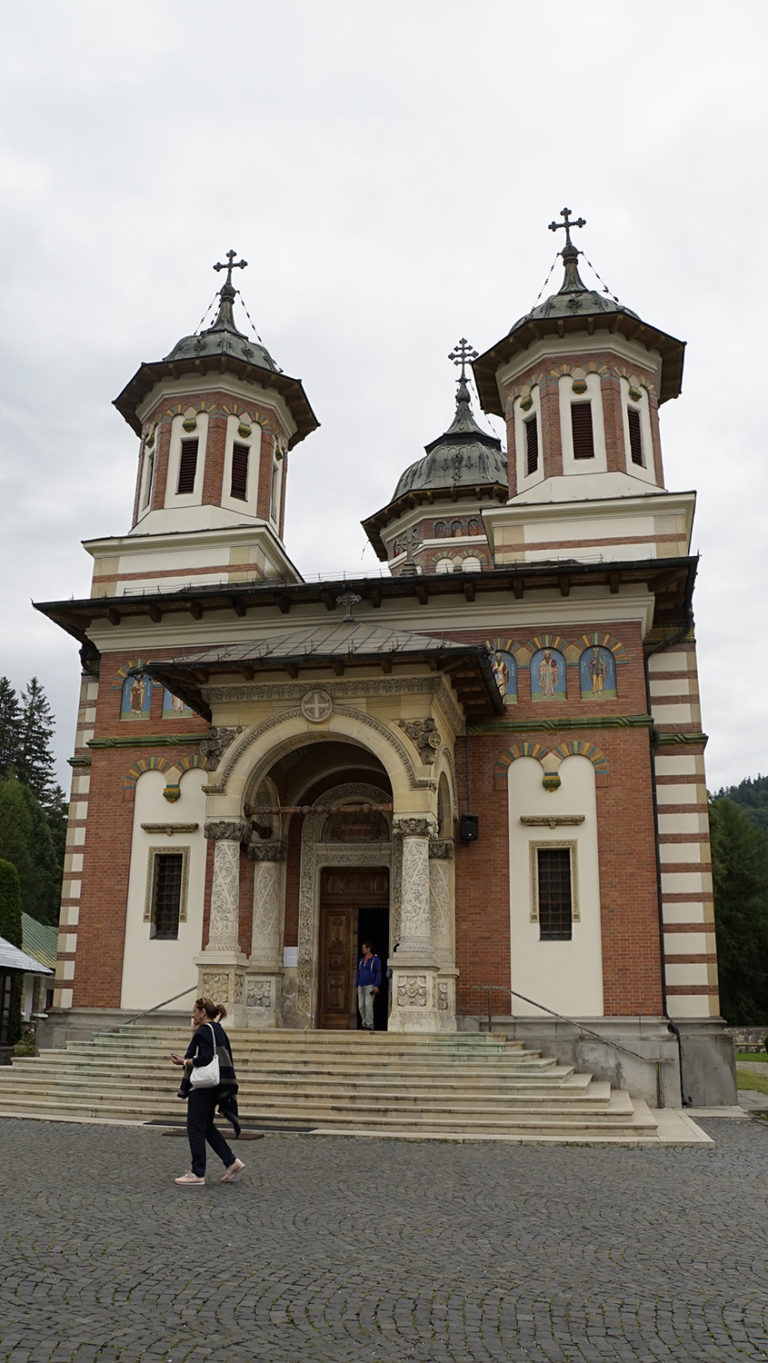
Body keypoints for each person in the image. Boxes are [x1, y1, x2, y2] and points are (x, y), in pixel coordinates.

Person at [170, 996, 244, 1186]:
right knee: (206, 1127)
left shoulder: (205, 1031)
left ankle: (197, 1173)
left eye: (195, 1012)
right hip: (215, 1085)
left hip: (201, 1086)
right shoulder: (218, 1029)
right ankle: (231, 1161)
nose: (193, 1016)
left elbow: (203, 1058)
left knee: (194, 1128)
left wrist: (183, 1062)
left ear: (203, 1012)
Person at [356, 941, 381, 1032]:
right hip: (361, 985)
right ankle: (364, 1023)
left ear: (368, 948)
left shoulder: (375, 960)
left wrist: (376, 985)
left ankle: (370, 1024)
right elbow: (358, 973)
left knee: (368, 1005)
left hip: (370, 986)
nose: (362, 949)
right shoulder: (361, 960)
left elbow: (378, 972)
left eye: (363, 948)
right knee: (361, 1006)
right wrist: (356, 985)